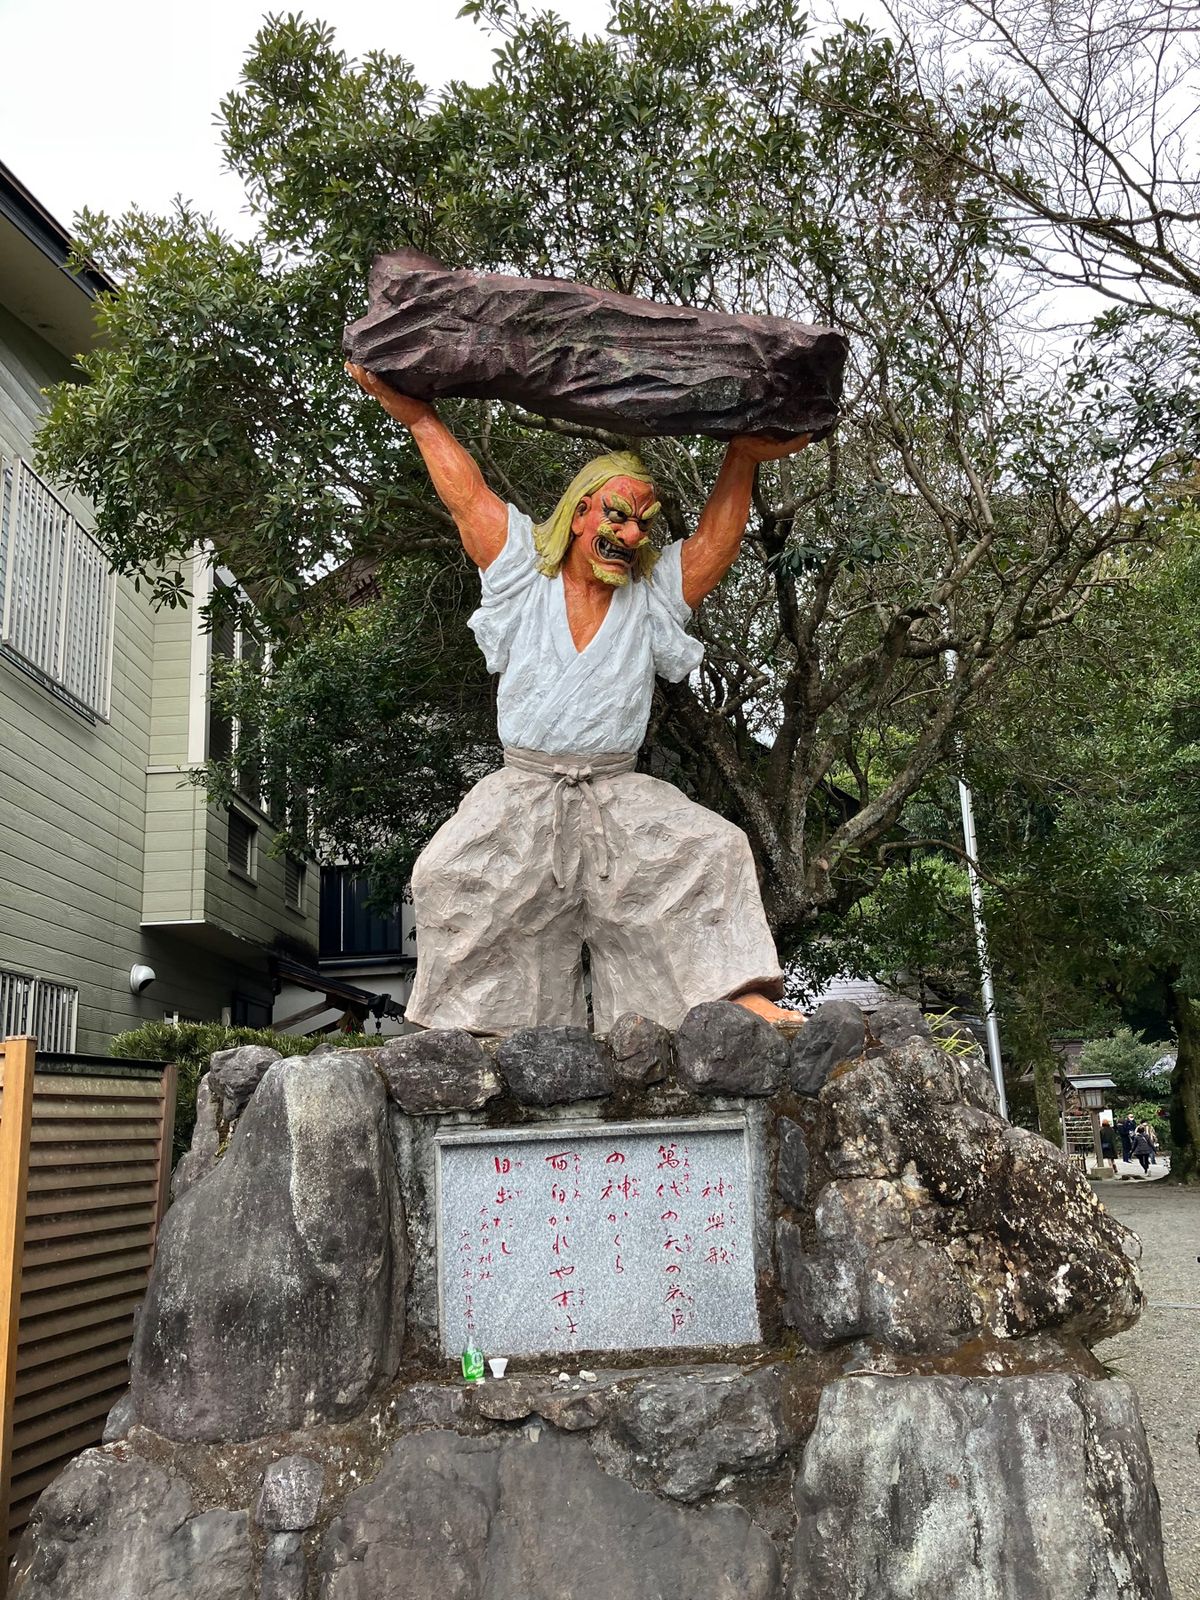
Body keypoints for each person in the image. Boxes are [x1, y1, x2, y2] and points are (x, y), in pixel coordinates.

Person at [347, 361, 809, 1034]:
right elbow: (468, 498)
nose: (630, 536)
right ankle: (482, 1032)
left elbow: (713, 544)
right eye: (617, 517)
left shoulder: (651, 599)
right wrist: (420, 419)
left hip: (620, 795)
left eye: (643, 525)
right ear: (580, 510)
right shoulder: (519, 575)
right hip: (523, 790)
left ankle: (728, 1005)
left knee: (713, 850)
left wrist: (740, 458)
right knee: (451, 874)